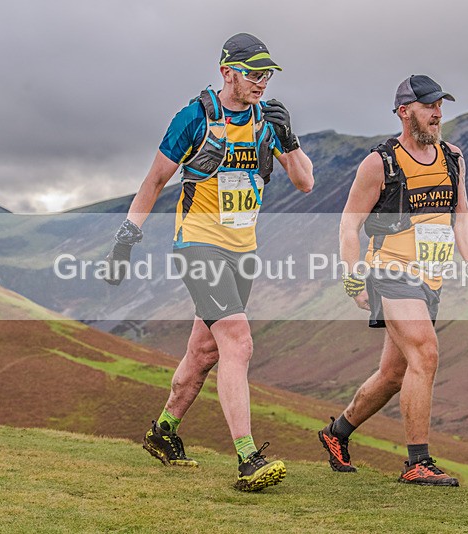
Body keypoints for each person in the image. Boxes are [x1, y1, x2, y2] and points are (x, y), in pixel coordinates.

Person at [104, 33, 314, 491]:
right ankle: (248, 459)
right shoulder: (193, 118)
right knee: (237, 341)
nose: (261, 82)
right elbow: (154, 180)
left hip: (243, 251)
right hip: (198, 244)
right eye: (253, 73)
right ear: (227, 73)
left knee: (203, 353)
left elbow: (304, 183)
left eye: (267, 74)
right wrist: (126, 240)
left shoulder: (268, 121)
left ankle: (163, 433)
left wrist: (291, 138)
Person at [320, 75, 468, 485]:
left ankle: (336, 433)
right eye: (429, 106)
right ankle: (417, 463)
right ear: (404, 111)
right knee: (426, 354)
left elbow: (462, 214)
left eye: (440, 106)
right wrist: (353, 278)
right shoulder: (380, 162)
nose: (437, 114)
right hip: (390, 273)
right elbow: (349, 225)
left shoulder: (453, 157)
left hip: (430, 279)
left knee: (395, 373)